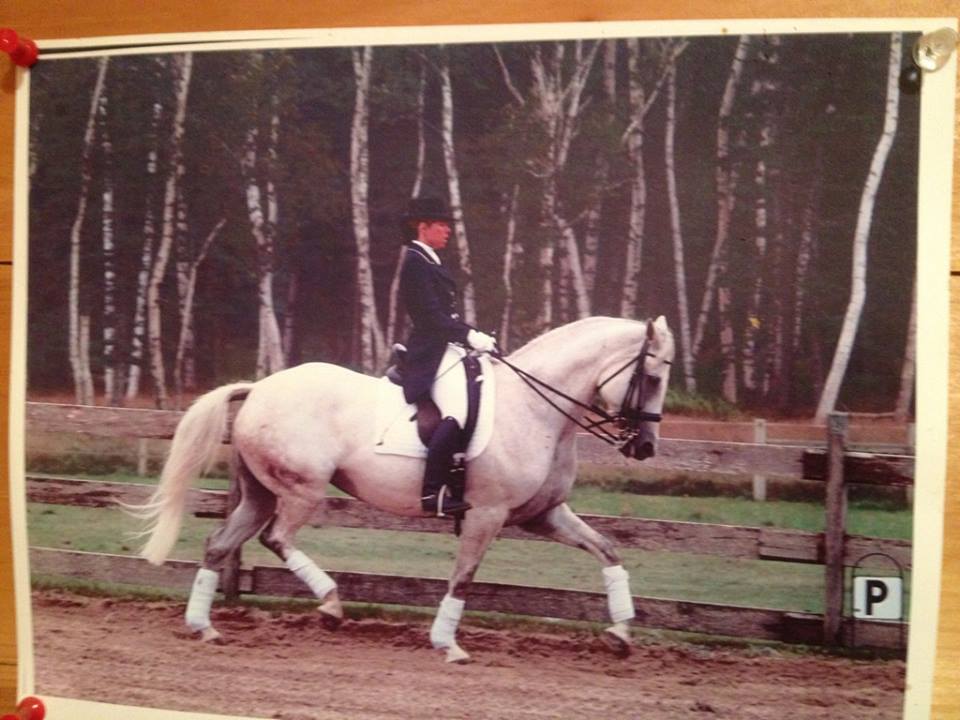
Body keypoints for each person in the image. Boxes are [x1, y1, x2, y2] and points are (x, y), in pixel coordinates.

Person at [399, 197, 497, 516]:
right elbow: (430, 317)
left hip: (445, 346)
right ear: (422, 226)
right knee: (457, 410)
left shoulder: (430, 260)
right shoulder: (415, 261)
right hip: (429, 352)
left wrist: (472, 335)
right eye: (442, 225)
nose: (448, 231)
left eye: (448, 225)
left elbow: (446, 316)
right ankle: (433, 493)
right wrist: (468, 335)